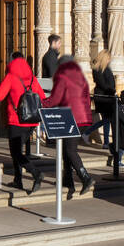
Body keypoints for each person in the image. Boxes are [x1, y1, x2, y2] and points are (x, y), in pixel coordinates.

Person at [0, 51, 45, 193]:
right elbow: (42, 97)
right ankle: (18, 180)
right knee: (17, 152)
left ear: (12, 61)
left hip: (16, 120)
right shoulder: (32, 78)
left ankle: (36, 173)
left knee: (16, 153)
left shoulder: (11, 77)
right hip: (31, 121)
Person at [44, 54, 94, 197]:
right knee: (67, 150)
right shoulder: (81, 78)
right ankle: (68, 180)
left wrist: (41, 103)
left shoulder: (63, 77)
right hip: (84, 118)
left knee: (70, 150)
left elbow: (55, 99)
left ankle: (85, 177)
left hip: (71, 118)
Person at [92, 49, 116, 149]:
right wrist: (112, 91)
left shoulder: (100, 69)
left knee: (107, 120)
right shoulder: (100, 70)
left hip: (104, 97)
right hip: (104, 98)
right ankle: (105, 142)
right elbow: (103, 84)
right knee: (107, 120)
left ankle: (106, 142)